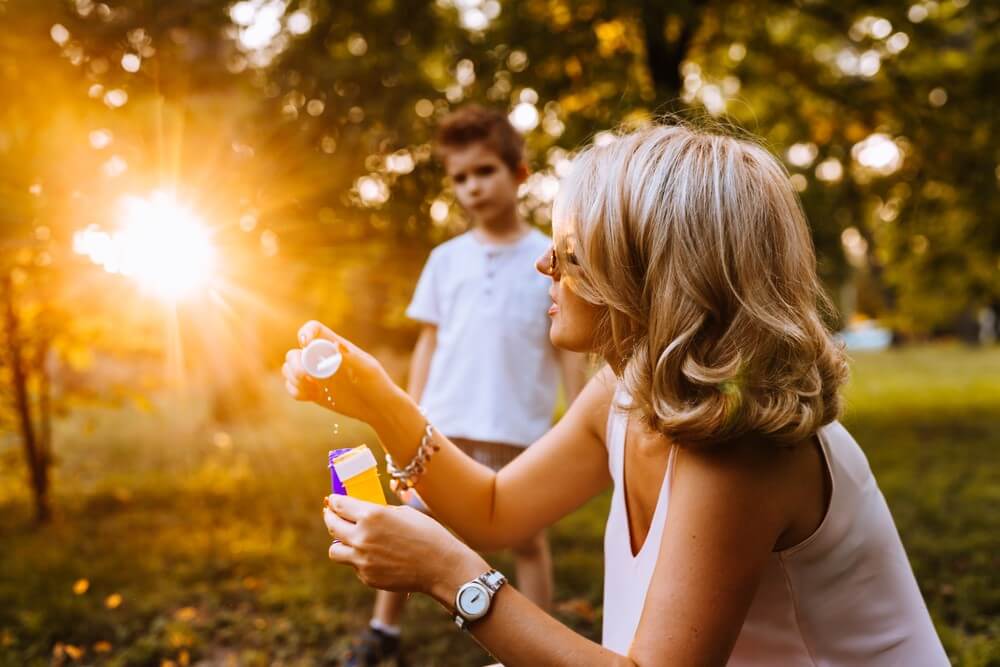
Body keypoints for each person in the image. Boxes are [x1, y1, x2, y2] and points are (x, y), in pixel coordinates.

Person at [283, 123, 949, 665]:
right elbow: (495, 509)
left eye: (571, 252)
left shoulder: (738, 444)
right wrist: (376, 397)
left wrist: (450, 573)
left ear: (652, 276)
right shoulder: (628, 390)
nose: (544, 265)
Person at [337, 105, 587, 666]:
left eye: (485, 171)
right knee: (412, 523)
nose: (473, 187)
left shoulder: (549, 260)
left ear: (519, 173)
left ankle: (532, 649)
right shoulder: (445, 260)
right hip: (441, 428)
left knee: (525, 538)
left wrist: (573, 422)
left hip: (516, 427)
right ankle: (385, 632)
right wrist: (408, 412)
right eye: (460, 177)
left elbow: (567, 347)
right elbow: (429, 343)